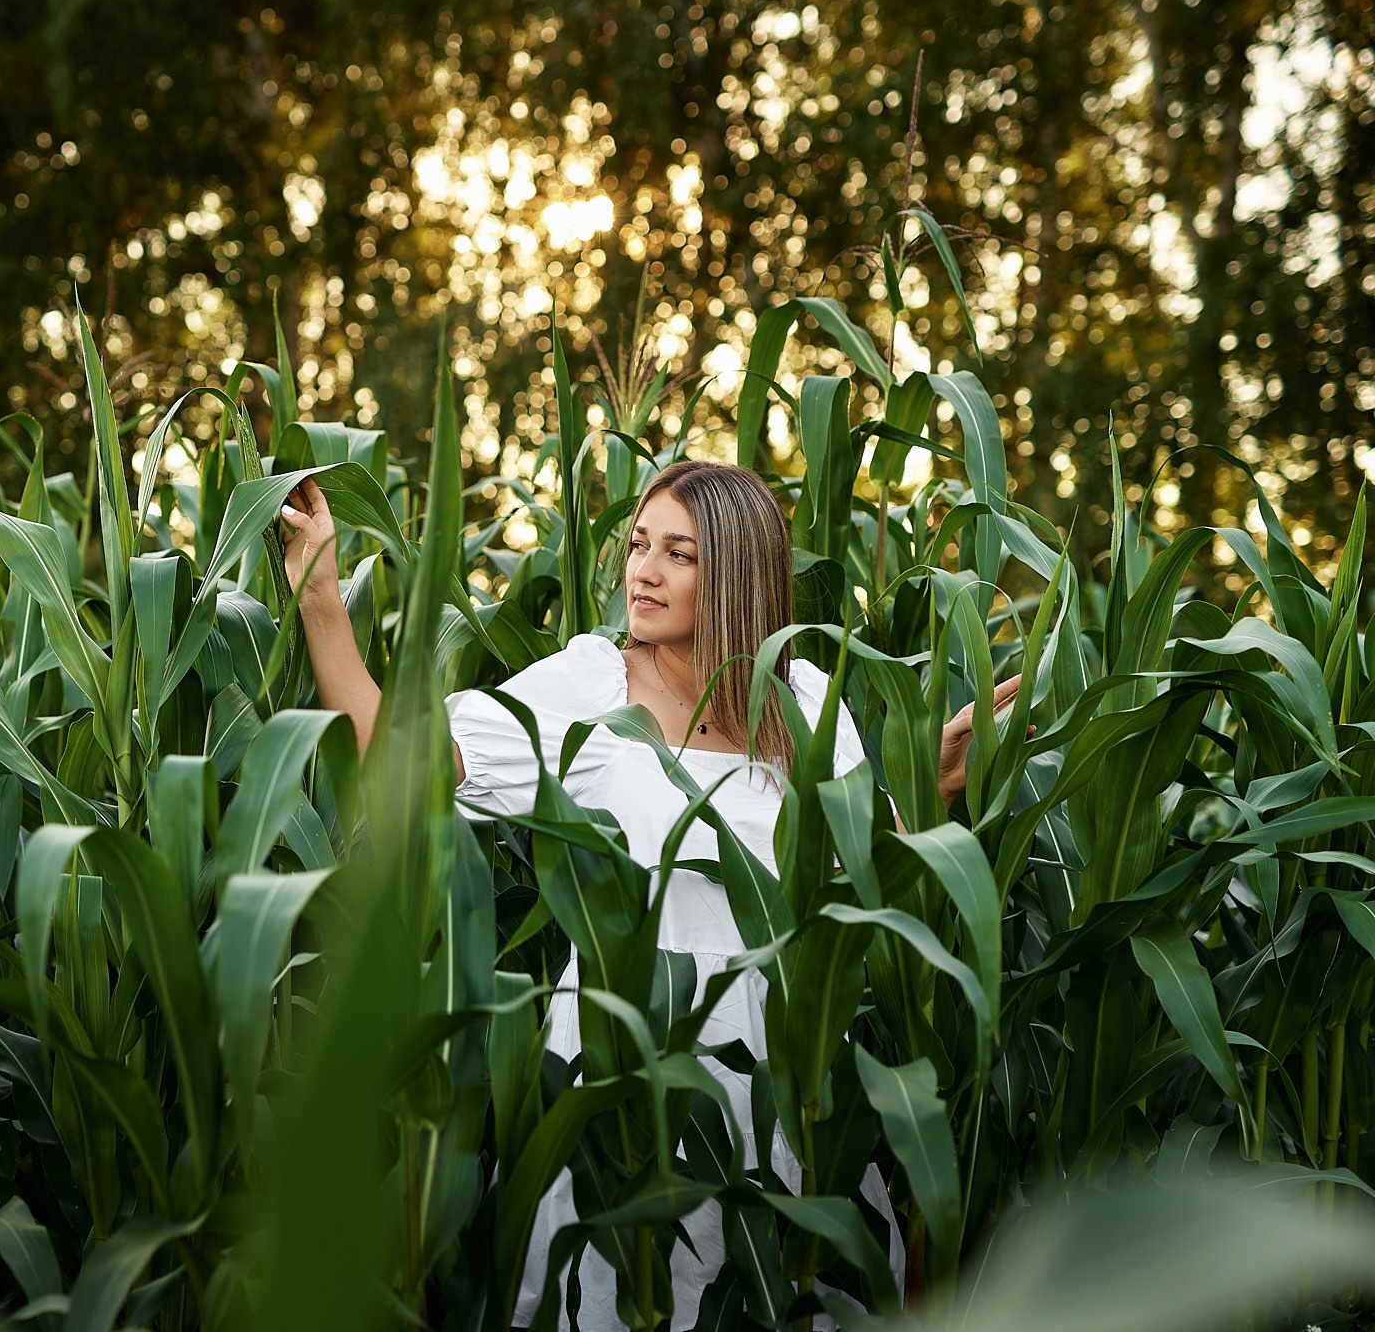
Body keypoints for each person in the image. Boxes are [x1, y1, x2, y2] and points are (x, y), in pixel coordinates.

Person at [279, 459, 1015, 1329]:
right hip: (625, 1088)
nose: (643, 570)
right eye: (638, 546)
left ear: (738, 573)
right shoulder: (592, 688)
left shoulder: (804, 700)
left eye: (679, 553)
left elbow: (855, 871)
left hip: (791, 1087)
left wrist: (933, 786)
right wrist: (322, 597)